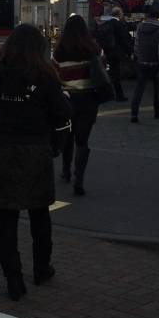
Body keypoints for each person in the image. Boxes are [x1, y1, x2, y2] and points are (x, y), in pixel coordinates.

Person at [0, 24, 71, 301]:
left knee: (6, 216)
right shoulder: (45, 76)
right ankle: (41, 268)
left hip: (2, 148)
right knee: (39, 213)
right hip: (35, 149)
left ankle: (14, 280)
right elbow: (60, 115)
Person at [52, 14, 102, 195]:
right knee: (83, 140)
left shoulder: (59, 51)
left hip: (67, 98)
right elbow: (100, 72)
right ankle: (79, 179)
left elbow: (55, 75)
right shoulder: (92, 49)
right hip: (88, 99)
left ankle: (65, 170)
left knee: (68, 135)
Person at [130, 5, 159, 123]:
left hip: (142, 61)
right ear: (158, 15)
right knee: (157, 88)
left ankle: (134, 114)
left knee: (139, 88)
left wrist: (138, 57)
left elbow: (136, 45)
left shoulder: (140, 26)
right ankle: (158, 112)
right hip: (155, 62)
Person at [93, 3, 130, 101]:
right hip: (117, 52)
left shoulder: (107, 24)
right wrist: (129, 51)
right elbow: (124, 39)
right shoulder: (120, 24)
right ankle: (118, 95)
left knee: (110, 72)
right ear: (119, 14)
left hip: (108, 51)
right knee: (116, 74)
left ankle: (111, 93)